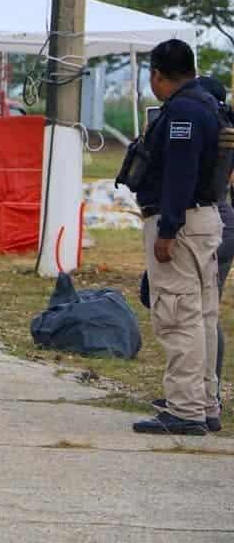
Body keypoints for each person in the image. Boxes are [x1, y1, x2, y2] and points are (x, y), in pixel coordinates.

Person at [130, 39, 223, 436]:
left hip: (181, 224)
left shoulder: (183, 110)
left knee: (178, 315)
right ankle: (204, 403)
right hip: (203, 219)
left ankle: (185, 411)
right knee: (201, 315)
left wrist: (167, 230)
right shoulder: (208, 104)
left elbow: (180, 174)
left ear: (156, 75)